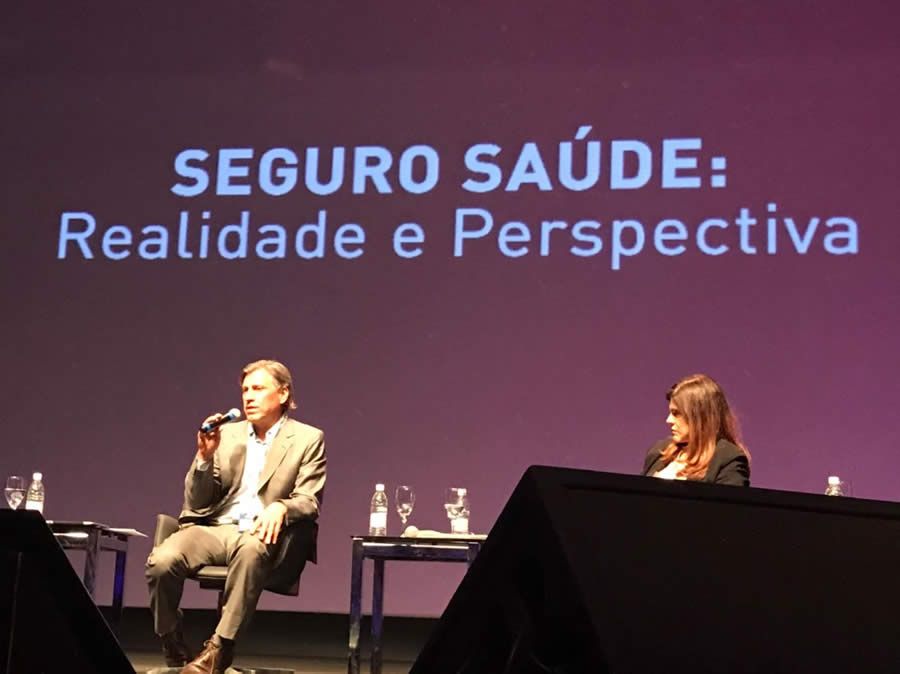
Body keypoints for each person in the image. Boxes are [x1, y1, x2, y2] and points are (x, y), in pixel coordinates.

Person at [146, 359, 326, 674]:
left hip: (260, 532)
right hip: (215, 528)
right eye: (245, 390)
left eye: (258, 388)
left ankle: (219, 648)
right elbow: (197, 501)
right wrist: (204, 457)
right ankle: (171, 638)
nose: (248, 397)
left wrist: (281, 507)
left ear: (283, 394)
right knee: (163, 561)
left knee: (251, 549)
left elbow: (309, 500)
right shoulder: (227, 434)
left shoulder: (307, 438)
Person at [641, 373, 750, 486]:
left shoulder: (727, 459)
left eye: (676, 413)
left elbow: (728, 503)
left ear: (699, 416)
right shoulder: (659, 450)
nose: (669, 420)